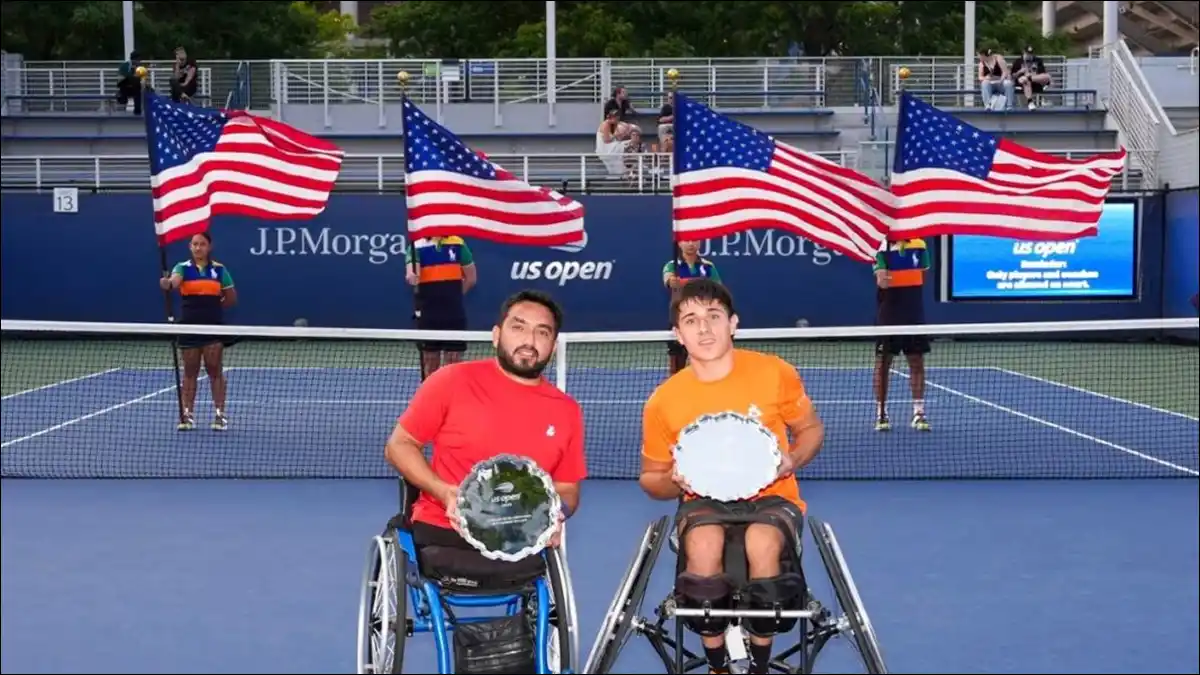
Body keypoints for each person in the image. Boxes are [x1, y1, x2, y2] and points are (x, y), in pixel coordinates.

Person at [638, 279, 824, 675]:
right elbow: (651, 479)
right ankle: (717, 663)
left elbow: (810, 429)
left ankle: (759, 663)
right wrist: (675, 480)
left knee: (761, 540)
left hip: (773, 497)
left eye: (713, 316)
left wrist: (792, 459)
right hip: (703, 502)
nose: (704, 328)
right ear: (678, 334)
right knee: (704, 543)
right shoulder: (662, 401)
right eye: (691, 320)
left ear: (733, 323)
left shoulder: (774, 372)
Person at [384, 290, 587, 579]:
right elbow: (399, 445)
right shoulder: (451, 381)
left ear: (553, 347)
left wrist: (556, 513)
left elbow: (567, 489)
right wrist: (443, 492)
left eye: (542, 332)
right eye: (518, 327)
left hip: (520, 542)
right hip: (444, 532)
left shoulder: (567, 411)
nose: (529, 341)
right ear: (496, 335)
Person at [159, 232, 237, 431]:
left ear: (209, 247)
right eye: (194, 244)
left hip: (212, 326)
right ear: (190, 247)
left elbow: (231, 298)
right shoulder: (182, 268)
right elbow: (174, 281)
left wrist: (212, 308)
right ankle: (187, 414)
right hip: (189, 327)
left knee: (214, 369)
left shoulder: (220, 270)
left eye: (202, 244)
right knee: (190, 370)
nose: (198, 248)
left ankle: (220, 415)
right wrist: (168, 284)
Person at [872, 238, 931, 432]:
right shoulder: (881, 247)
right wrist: (883, 272)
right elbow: (882, 282)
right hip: (889, 314)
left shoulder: (920, 245)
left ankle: (919, 413)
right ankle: (881, 413)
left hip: (913, 313)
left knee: (916, 361)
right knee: (883, 363)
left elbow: (923, 275)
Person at [405, 236, 477, 380]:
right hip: (428, 315)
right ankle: (431, 393)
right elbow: (412, 273)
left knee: (454, 363)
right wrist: (412, 275)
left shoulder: (458, 243)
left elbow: (471, 278)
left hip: (454, 314)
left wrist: (454, 296)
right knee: (430, 363)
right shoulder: (416, 246)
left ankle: (451, 393)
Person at [662, 241, 722, 375]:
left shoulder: (708, 266)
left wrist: (684, 282)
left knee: (706, 359)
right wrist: (675, 281)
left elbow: (717, 288)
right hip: (680, 319)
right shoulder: (671, 266)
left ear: (699, 243)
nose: (691, 244)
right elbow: (670, 281)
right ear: (679, 244)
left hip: (704, 320)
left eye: (694, 241)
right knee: (677, 366)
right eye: (687, 241)